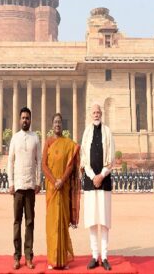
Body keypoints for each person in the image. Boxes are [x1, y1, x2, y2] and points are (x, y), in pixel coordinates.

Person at [42, 113, 80, 270]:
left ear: (63, 125)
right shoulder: (48, 143)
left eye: (60, 122)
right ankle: (52, 260)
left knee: (63, 223)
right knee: (52, 225)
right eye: (55, 122)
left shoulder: (69, 144)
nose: (57, 124)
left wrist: (61, 181)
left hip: (63, 189)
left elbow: (71, 166)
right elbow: (44, 165)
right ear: (52, 125)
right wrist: (53, 181)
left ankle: (63, 260)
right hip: (52, 189)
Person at [80, 103, 114, 271]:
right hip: (90, 181)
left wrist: (102, 175)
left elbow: (111, 158)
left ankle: (105, 256)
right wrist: (94, 176)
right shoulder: (86, 133)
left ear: (102, 114)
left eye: (98, 112)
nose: (96, 114)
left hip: (105, 180)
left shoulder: (108, 132)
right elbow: (84, 158)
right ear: (90, 114)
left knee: (104, 221)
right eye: (93, 112)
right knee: (93, 221)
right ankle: (95, 255)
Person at [7, 107, 41, 270]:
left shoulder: (35, 138)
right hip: (18, 186)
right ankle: (16, 256)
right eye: (23, 118)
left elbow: (39, 161)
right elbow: (10, 162)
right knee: (16, 222)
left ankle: (28, 256)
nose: (25, 120)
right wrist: (10, 182)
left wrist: (38, 181)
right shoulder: (15, 138)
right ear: (19, 120)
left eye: (27, 118)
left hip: (30, 186)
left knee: (29, 222)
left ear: (30, 120)